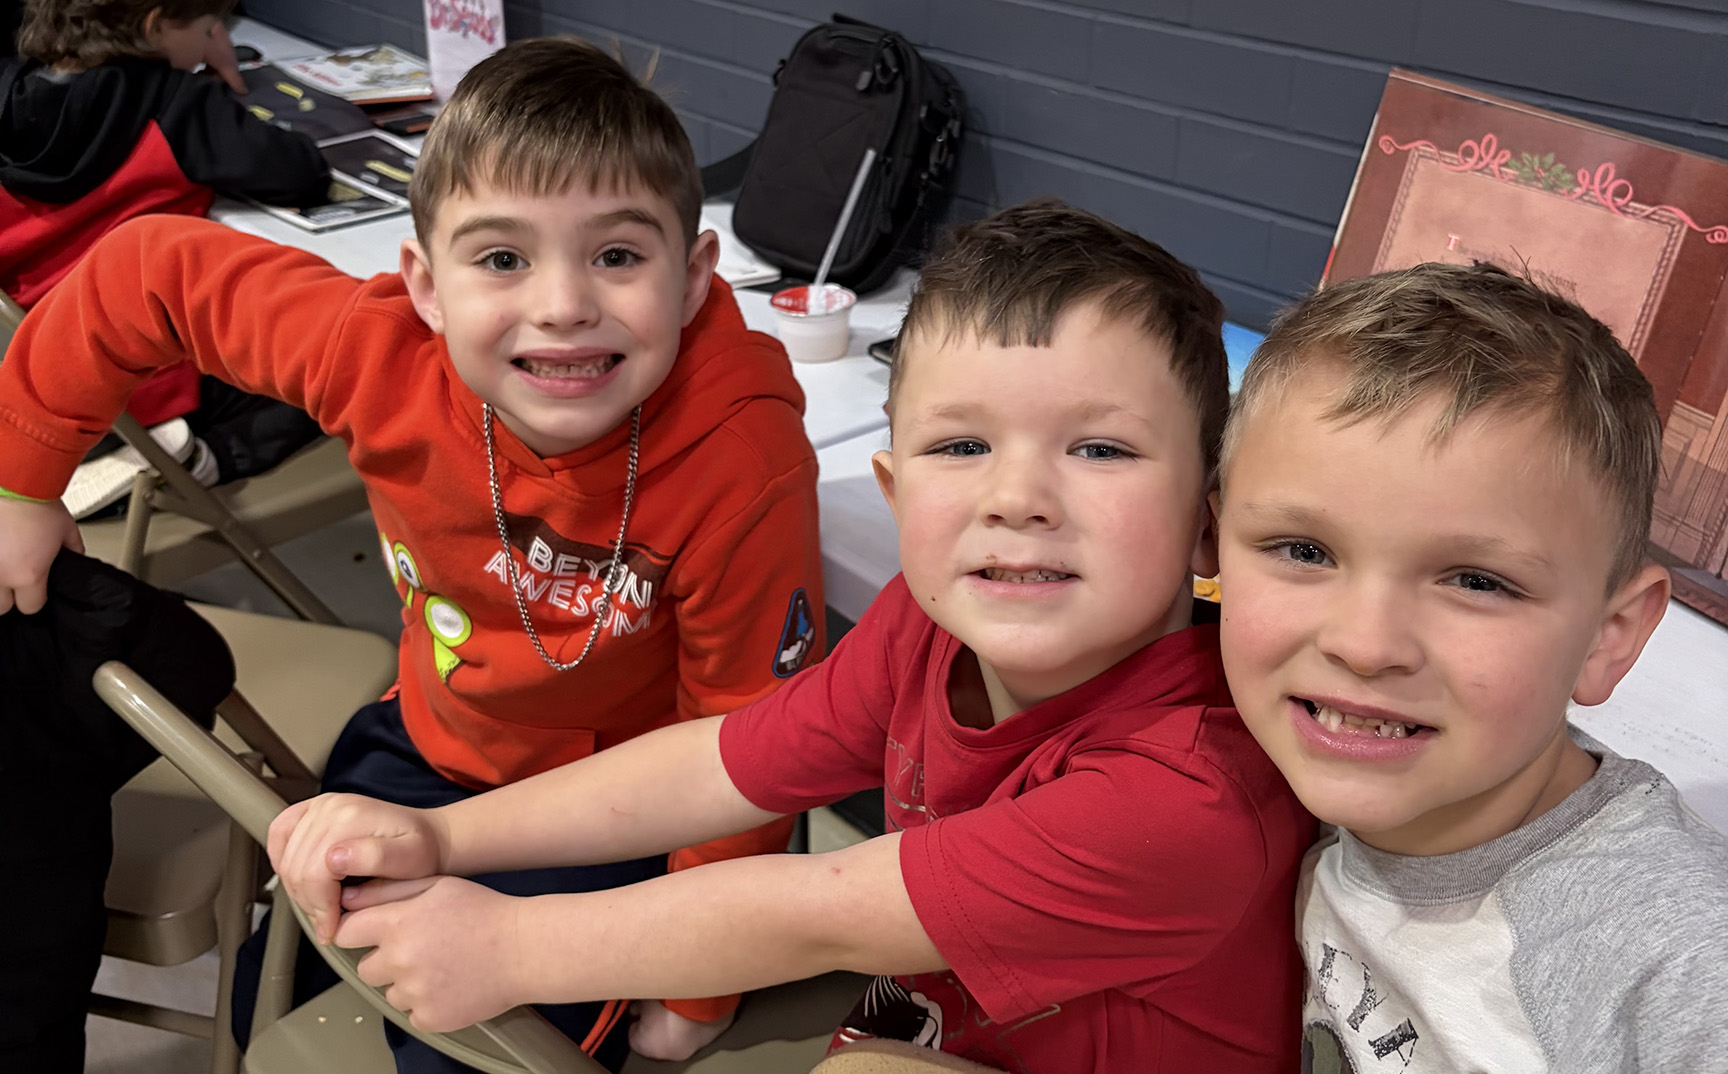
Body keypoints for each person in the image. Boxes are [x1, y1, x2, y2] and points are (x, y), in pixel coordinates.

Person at [264, 200, 1316, 1074]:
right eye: (962, 444)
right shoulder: (929, 622)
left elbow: (819, 910)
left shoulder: (1193, 787)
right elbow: (731, 762)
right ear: (898, 496)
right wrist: (451, 837)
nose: (1018, 497)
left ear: (1207, 524)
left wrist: (512, 945)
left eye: (1099, 447)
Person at [0, 34, 823, 1070]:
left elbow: (745, 739)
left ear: (695, 277)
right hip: (431, 748)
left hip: (629, 813)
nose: (564, 303)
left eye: (617, 255)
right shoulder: (375, 347)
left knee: (471, 1047)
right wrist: (21, 484)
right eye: (502, 258)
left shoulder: (741, 459)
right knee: (280, 990)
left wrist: (699, 984)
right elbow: (143, 274)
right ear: (426, 288)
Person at [1211, 261, 1728, 1072]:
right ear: (1213, 549)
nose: (1366, 644)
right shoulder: (1279, 765)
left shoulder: (1678, 965)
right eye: (1304, 551)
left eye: (1477, 581)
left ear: (1608, 637)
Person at [0, 0, 331, 511]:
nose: (209, 44)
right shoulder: (178, 103)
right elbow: (300, 173)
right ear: (154, 27)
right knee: (335, 364)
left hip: (39, 366)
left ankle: (130, 442)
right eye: (205, 30)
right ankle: (195, 455)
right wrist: (213, 94)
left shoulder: (10, 92)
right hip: (143, 375)